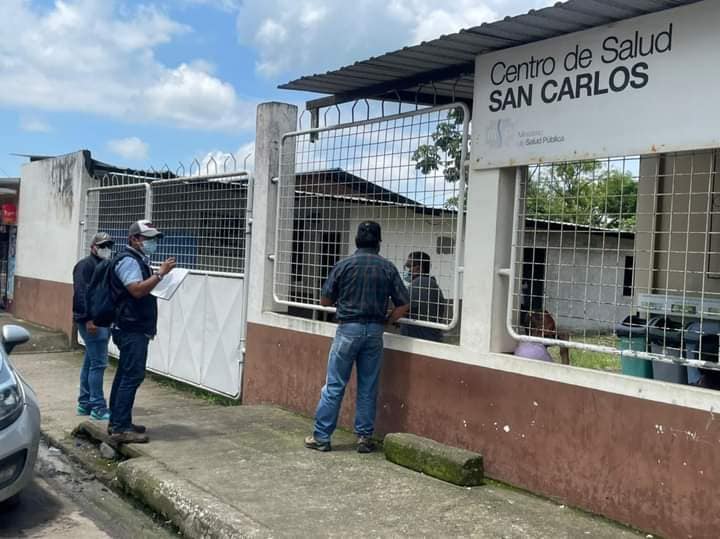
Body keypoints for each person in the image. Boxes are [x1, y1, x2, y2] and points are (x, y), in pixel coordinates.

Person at [304, 221, 410, 453]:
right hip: (374, 331)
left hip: (347, 330)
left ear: (356, 241)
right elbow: (403, 304)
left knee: (334, 385)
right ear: (379, 242)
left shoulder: (343, 265)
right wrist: (386, 321)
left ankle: (322, 437)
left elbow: (325, 300)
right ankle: (364, 438)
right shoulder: (388, 268)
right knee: (368, 386)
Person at [108, 220, 175, 444]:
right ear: (134, 239)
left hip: (131, 326)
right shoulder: (128, 260)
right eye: (148, 238)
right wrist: (160, 275)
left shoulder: (136, 259)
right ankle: (120, 428)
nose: (152, 242)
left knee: (124, 375)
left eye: (155, 239)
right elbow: (136, 290)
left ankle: (119, 421)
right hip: (131, 327)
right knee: (131, 376)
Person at [73, 232, 115, 420]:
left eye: (108, 246)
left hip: (102, 320)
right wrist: (89, 319)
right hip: (92, 321)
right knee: (99, 363)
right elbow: (81, 293)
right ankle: (97, 406)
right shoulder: (85, 266)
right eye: (102, 246)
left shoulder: (105, 265)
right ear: (93, 247)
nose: (106, 249)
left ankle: (85, 402)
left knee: (91, 361)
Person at [400, 251, 446, 342]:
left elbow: (402, 310)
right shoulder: (431, 284)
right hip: (430, 338)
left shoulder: (419, 284)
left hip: (419, 340)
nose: (407, 270)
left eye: (409, 266)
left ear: (418, 268)